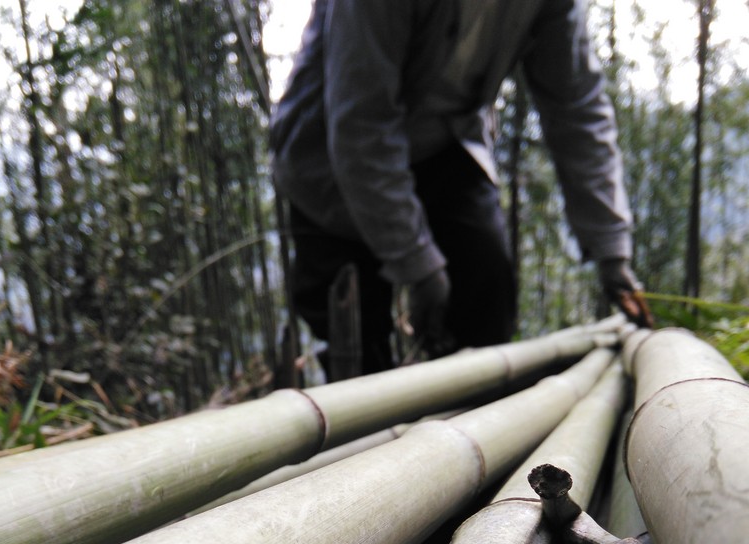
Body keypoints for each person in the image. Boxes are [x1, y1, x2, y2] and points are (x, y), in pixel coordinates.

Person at [271, 0, 651, 377]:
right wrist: (417, 264)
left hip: (446, 146)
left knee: (485, 296)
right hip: (328, 163)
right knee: (357, 350)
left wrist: (611, 248)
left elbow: (576, 108)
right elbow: (362, 126)